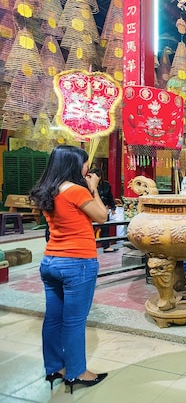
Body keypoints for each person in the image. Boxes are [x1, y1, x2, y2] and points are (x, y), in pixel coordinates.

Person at [29, 145, 109, 393]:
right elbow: (102, 216)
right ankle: (76, 372)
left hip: (50, 261)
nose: (88, 168)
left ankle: (54, 367)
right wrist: (93, 188)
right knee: (74, 322)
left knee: (53, 318)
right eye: (85, 163)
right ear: (74, 164)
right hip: (77, 263)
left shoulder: (47, 190)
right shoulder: (75, 190)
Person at [89, 168, 116, 252]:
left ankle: (106, 246)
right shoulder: (86, 185)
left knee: (105, 228)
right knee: (90, 229)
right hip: (91, 209)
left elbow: (110, 197)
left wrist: (113, 207)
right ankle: (90, 246)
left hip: (102, 208)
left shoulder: (106, 185)